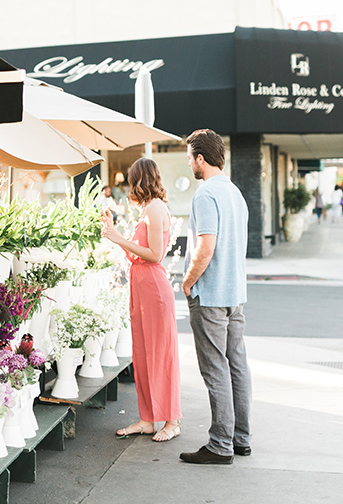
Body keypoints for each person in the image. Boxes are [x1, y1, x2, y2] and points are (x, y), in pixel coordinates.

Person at [179, 129, 251, 465]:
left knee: (215, 369)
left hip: (210, 295)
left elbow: (206, 246)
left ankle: (220, 445)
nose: (189, 163)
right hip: (235, 294)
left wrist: (188, 281)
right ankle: (240, 439)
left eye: (190, 157)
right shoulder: (235, 193)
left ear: (200, 158)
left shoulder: (205, 194)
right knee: (237, 365)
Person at [101, 158, 182, 442]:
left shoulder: (155, 208)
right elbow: (137, 254)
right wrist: (116, 235)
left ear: (139, 179)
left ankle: (172, 421)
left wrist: (119, 238)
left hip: (154, 289)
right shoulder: (148, 209)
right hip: (142, 288)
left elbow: (156, 255)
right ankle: (148, 419)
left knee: (161, 354)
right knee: (144, 355)